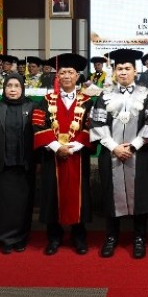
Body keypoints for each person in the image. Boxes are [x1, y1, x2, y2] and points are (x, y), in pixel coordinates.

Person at [90, 49, 148, 259]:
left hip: (139, 154)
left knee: (141, 194)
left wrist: (133, 146)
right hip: (111, 154)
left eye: (127, 68)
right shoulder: (104, 95)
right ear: (114, 71)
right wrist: (114, 147)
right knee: (111, 194)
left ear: (135, 71)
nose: (123, 72)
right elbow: (97, 123)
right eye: (119, 68)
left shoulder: (146, 95)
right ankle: (111, 236)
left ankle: (139, 238)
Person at [32, 53, 94, 255]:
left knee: (79, 196)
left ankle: (79, 236)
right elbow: (38, 125)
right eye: (63, 72)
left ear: (77, 76)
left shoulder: (88, 102)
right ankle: (54, 237)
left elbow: (92, 126)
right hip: (52, 156)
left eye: (70, 72)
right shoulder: (45, 101)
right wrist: (56, 146)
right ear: (57, 76)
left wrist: (73, 147)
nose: (66, 76)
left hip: (78, 156)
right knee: (52, 195)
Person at [0, 73, 37, 254]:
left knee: (23, 204)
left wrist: (40, 162)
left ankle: (21, 237)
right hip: (1, 165)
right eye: (9, 86)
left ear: (22, 89)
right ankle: (4, 238)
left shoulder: (32, 107)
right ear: (4, 89)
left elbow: (39, 136)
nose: (12, 90)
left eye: (16, 86)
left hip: (25, 165)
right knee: (3, 205)